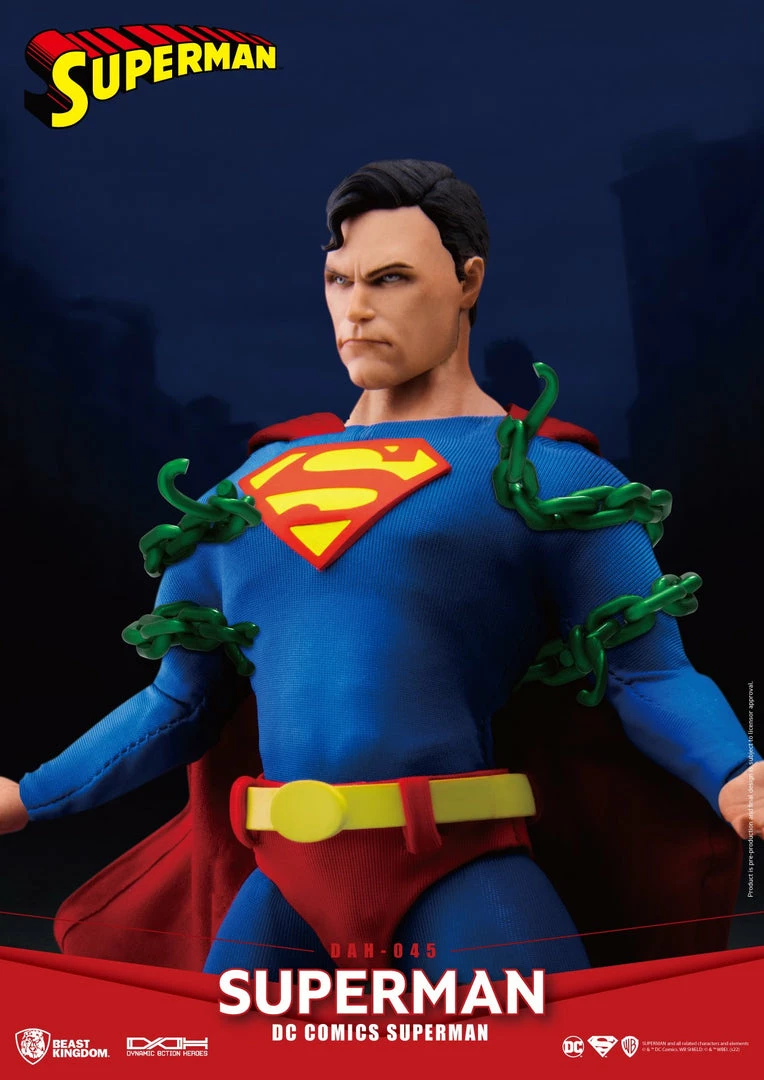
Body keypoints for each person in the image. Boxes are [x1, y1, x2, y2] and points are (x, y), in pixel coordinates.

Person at [1, 159, 761, 983]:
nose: (356, 308)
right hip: (285, 877)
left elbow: (648, 675)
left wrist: (734, 773)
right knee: (213, 1050)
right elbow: (178, 704)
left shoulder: (548, 480)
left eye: (391, 278)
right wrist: (28, 796)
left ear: (468, 281)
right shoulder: (237, 498)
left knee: (537, 1049)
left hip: (460, 865)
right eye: (340, 280)